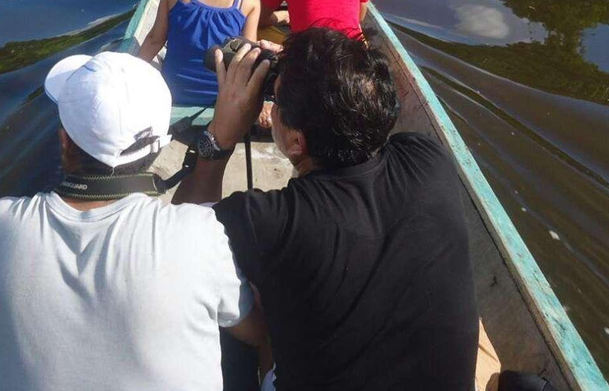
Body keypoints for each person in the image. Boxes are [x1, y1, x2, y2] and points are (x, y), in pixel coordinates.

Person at [173, 28, 479, 390]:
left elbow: (173, 246)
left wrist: (221, 134)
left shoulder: (266, 221)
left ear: (295, 141)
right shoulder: (429, 159)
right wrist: (303, 70)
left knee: (220, 312)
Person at [0, 51, 269, 391]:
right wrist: (219, 141)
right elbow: (257, 330)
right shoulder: (197, 235)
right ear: (159, 147)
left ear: (64, 142)